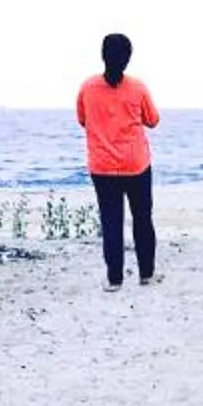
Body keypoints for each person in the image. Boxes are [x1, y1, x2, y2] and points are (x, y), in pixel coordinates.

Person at [75, 33, 163, 289]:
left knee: (111, 221)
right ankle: (146, 274)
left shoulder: (87, 88)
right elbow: (153, 120)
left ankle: (115, 279)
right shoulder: (138, 88)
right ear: (128, 59)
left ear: (103, 56)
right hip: (136, 164)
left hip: (102, 166)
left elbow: (83, 120)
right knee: (142, 219)